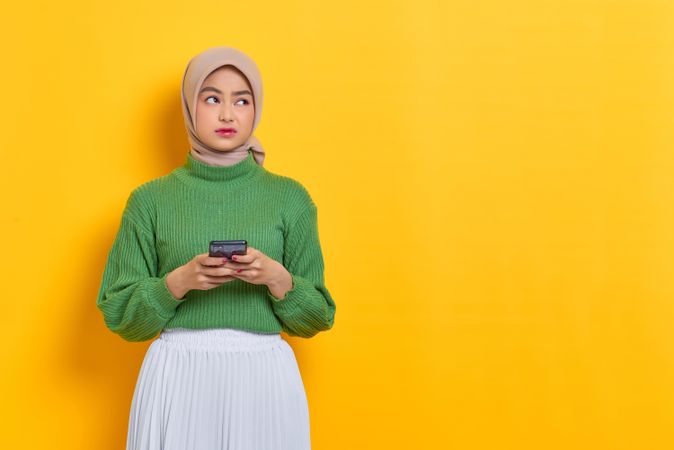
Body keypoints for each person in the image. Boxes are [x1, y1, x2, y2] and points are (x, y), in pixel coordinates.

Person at [96, 46, 336, 450]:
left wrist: (278, 279)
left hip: (265, 380)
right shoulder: (150, 200)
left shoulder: (290, 198)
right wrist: (176, 283)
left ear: (256, 108)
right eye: (212, 98)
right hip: (177, 375)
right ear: (190, 106)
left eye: (241, 100)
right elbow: (119, 314)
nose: (227, 114)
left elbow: (317, 317)